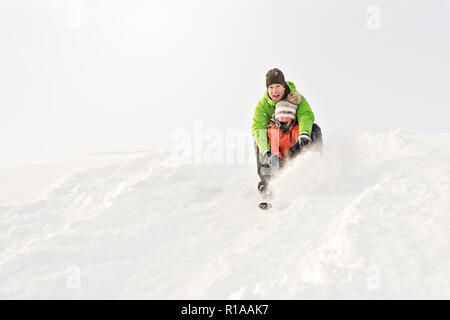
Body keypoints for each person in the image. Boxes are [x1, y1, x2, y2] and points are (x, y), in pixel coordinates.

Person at [251, 68, 323, 193]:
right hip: (275, 144)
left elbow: (305, 115)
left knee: (314, 129)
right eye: (271, 87)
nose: (274, 91)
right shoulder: (262, 106)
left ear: (284, 87)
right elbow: (258, 129)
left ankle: (318, 169)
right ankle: (267, 181)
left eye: (278, 86)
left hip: (294, 141)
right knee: (259, 141)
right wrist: (267, 152)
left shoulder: (296, 98)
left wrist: (304, 134)